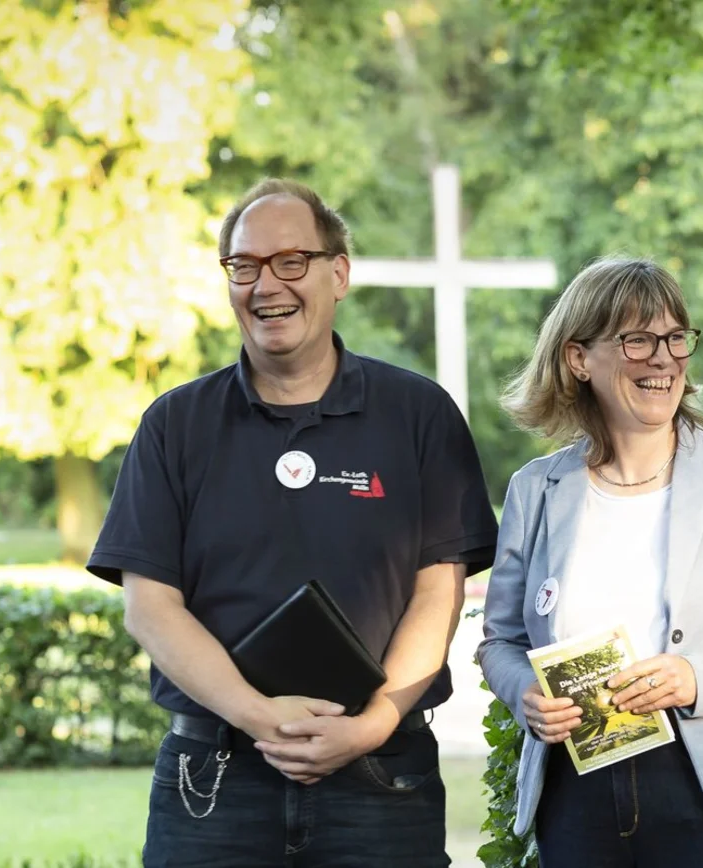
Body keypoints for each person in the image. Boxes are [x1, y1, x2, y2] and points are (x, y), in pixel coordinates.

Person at [86, 178, 499, 868]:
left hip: (381, 778)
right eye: (243, 266)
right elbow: (150, 607)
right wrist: (260, 716)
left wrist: (370, 726)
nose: (265, 285)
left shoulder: (418, 414)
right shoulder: (175, 425)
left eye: (291, 261)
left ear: (338, 274)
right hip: (214, 781)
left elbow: (438, 595)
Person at [477, 256, 703, 867]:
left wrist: (696, 678)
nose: (664, 359)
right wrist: (525, 694)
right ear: (578, 358)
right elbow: (501, 641)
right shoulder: (535, 489)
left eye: (675, 339)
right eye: (638, 340)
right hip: (576, 797)